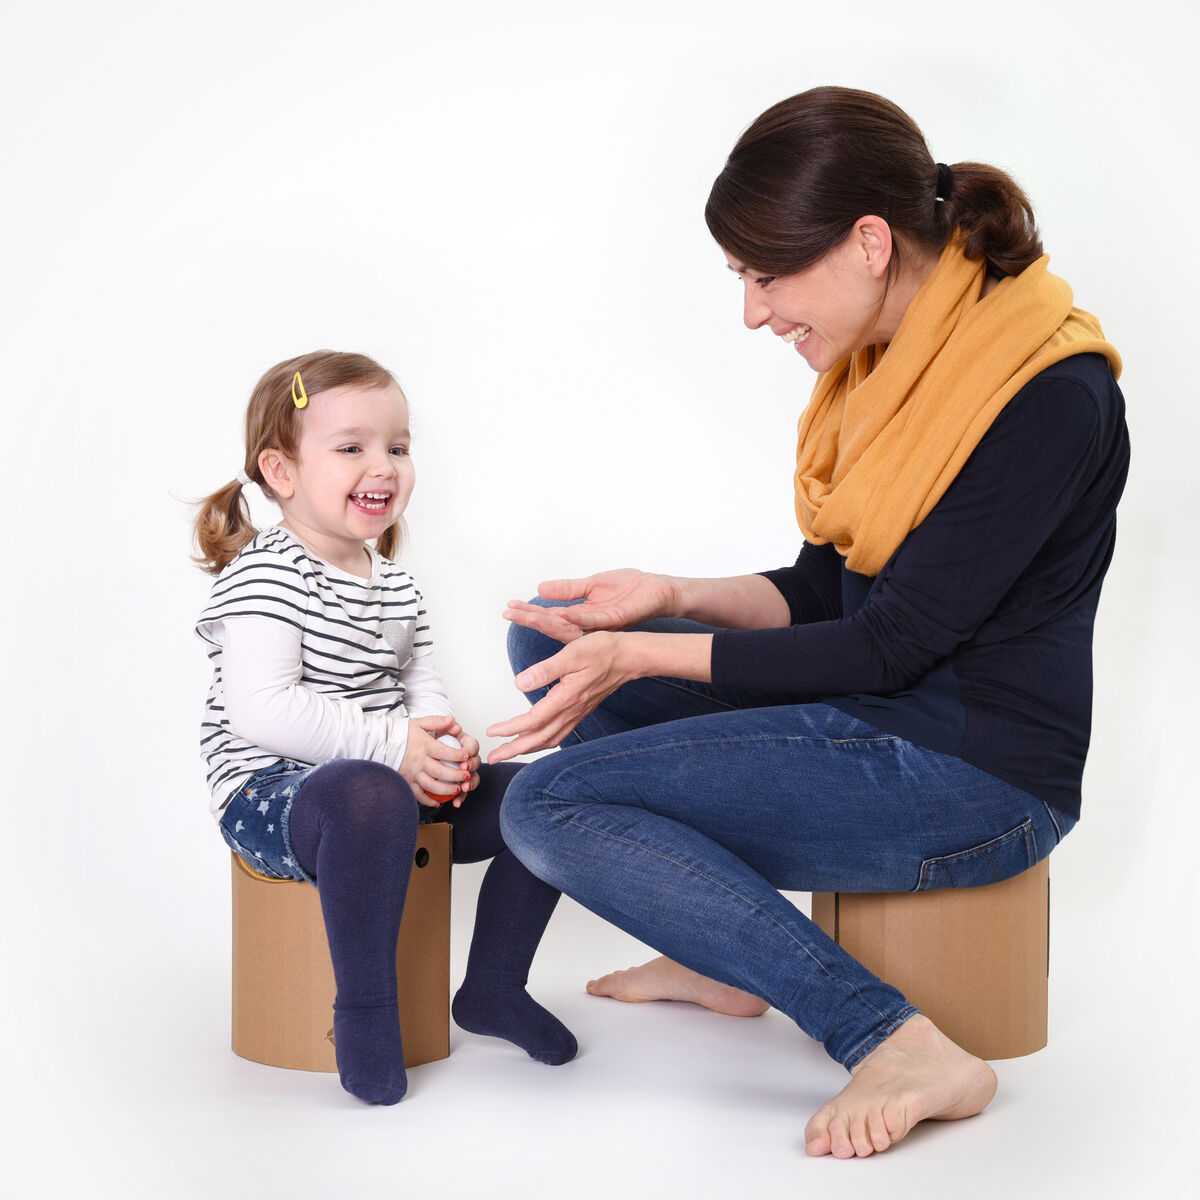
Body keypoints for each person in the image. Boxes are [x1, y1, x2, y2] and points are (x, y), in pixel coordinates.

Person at [487, 86, 1129, 1158]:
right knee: (549, 648)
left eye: (766, 275)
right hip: (872, 712)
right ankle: (722, 953)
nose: (754, 311)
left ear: (869, 242)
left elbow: (889, 645)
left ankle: (889, 1037)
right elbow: (828, 595)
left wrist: (642, 652)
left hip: (975, 775)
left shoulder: (1040, 392)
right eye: (742, 277)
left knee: (549, 807)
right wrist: (669, 597)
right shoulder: (890, 366)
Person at [193, 350, 576, 1106]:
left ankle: (494, 985)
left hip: (387, 777)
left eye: (398, 447)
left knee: (549, 794)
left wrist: (441, 743)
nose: (385, 465)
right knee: (370, 795)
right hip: (275, 797)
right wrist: (395, 746)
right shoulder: (266, 575)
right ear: (281, 471)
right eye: (352, 448)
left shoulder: (394, 582)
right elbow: (261, 707)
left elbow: (417, 683)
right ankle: (365, 1009)